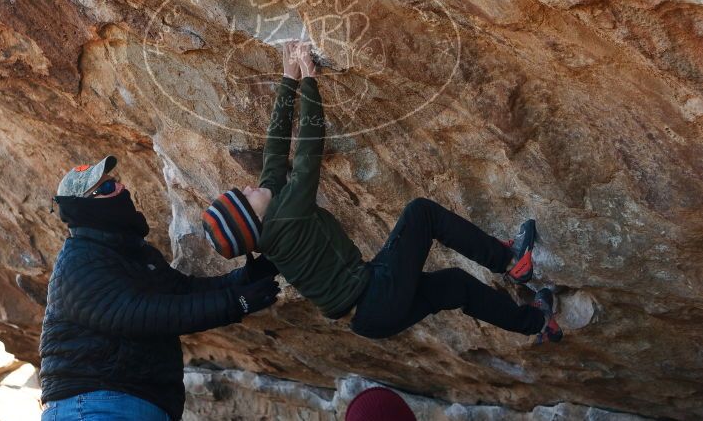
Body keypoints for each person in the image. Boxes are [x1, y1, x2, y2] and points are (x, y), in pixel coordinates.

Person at [202, 40, 562, 346]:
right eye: (244, 196)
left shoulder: (271, 219)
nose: (249, 187)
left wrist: (288, 78)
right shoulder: (287, 215)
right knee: (421, 214)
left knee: (455, 286)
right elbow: (309, 149)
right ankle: (512, 262)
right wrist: (310, 79)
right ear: (254, 217)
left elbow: (275, 148)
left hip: (370, 320)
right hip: (377, 293)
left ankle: (538, 324)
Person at [39, 155, 280, 421]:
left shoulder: (136, 255)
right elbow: (144, 314)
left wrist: (251, 275)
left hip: (141, 405)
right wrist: (236, 302)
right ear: (82, 209)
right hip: (95, 405)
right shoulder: (78, 262)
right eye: (106, 189)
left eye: (115, 182)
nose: (121, 189)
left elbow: (185, 292)